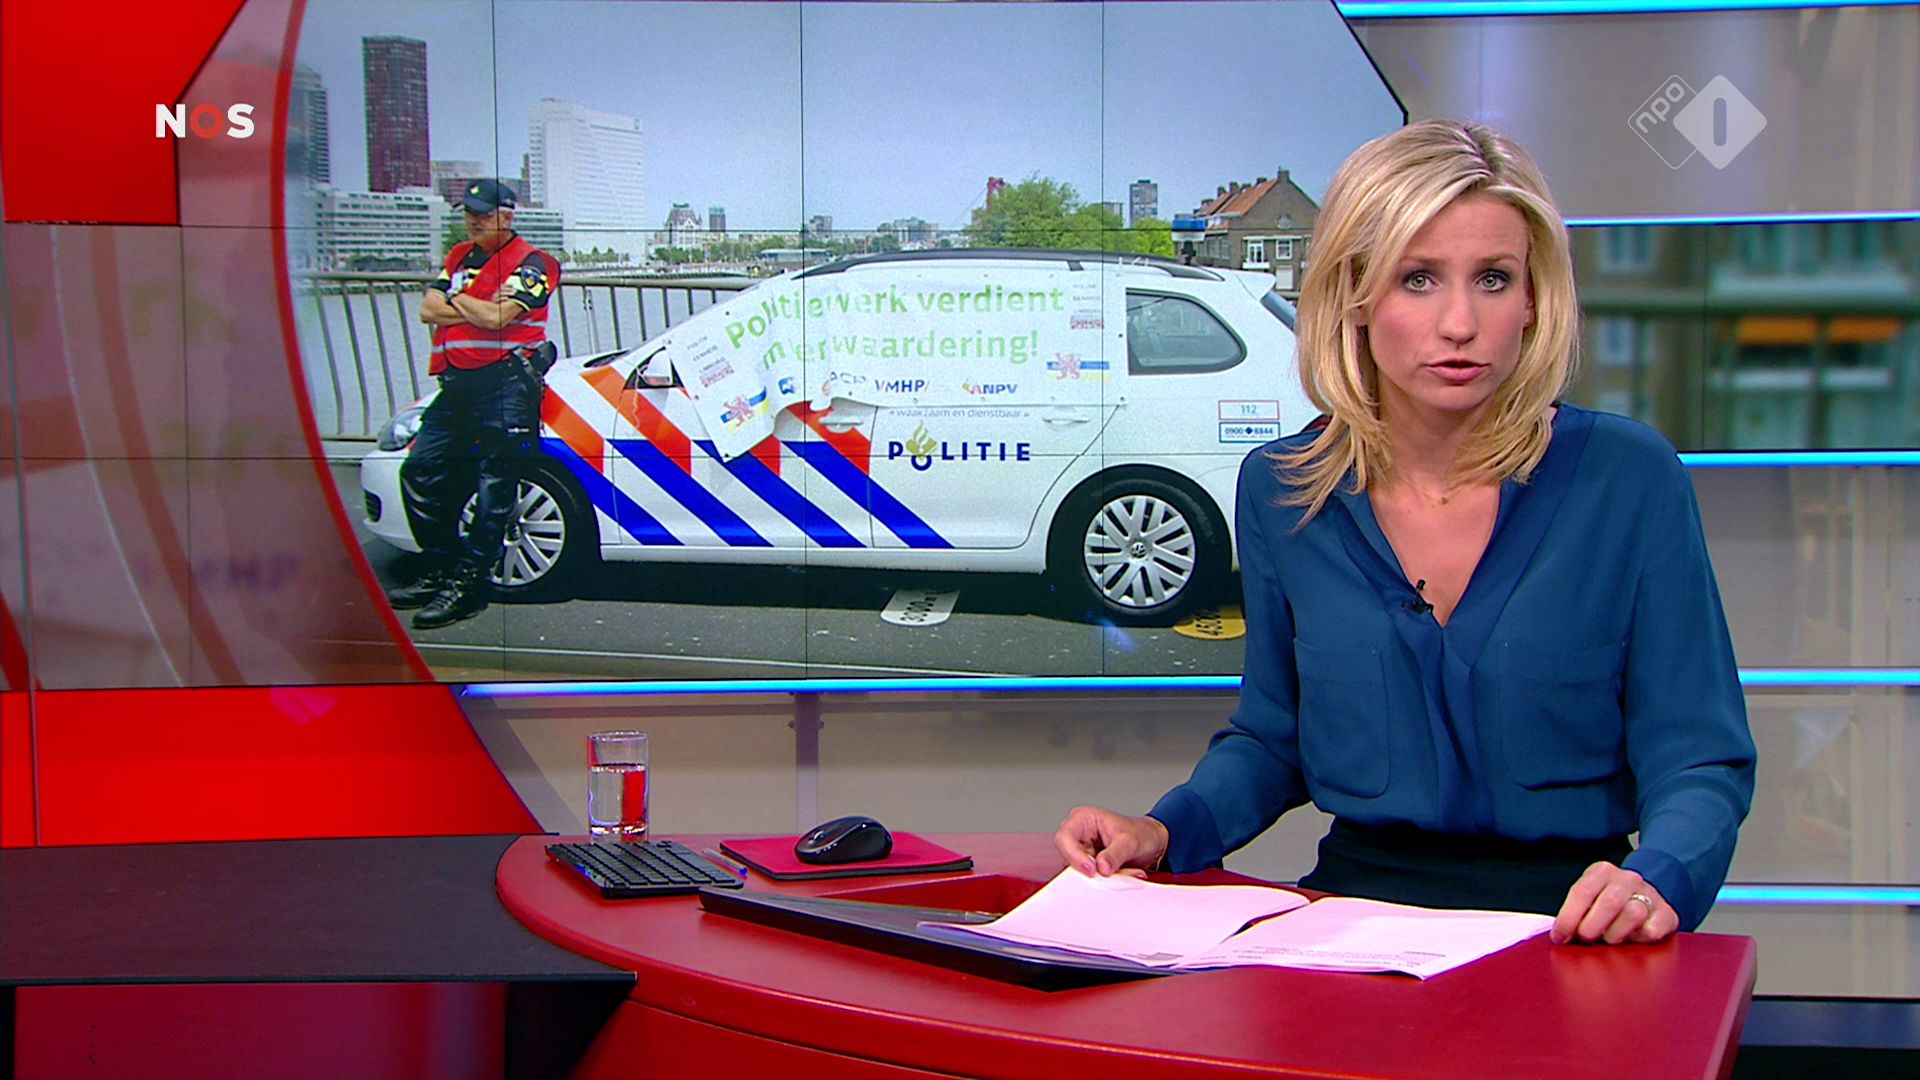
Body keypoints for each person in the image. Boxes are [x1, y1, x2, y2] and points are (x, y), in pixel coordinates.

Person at [1055, 120, 1755, 945]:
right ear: (1355, 293)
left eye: (1493, 279)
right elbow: (1276, 738)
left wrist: (1658, 876)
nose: (1460, 322)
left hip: (1570, 926)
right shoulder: (1285, 490)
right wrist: (1165, 830)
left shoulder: (1628, 479)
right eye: (1418, 279)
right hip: (1354, 924)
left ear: (1534, 299)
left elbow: (1698, 757)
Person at [387, 178, 560, 629]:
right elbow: (427, 310)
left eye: (483, 214)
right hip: (458, 386)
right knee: (421, 469)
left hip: (505, 385)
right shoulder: (459, 257)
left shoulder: (535, 263)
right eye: (468, 213)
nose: (473, 221)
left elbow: (498, 317)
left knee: (493, 489)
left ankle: (468, 584)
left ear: (507, 216)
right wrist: (476, 304)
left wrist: (457, 298)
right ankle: (441, 566)